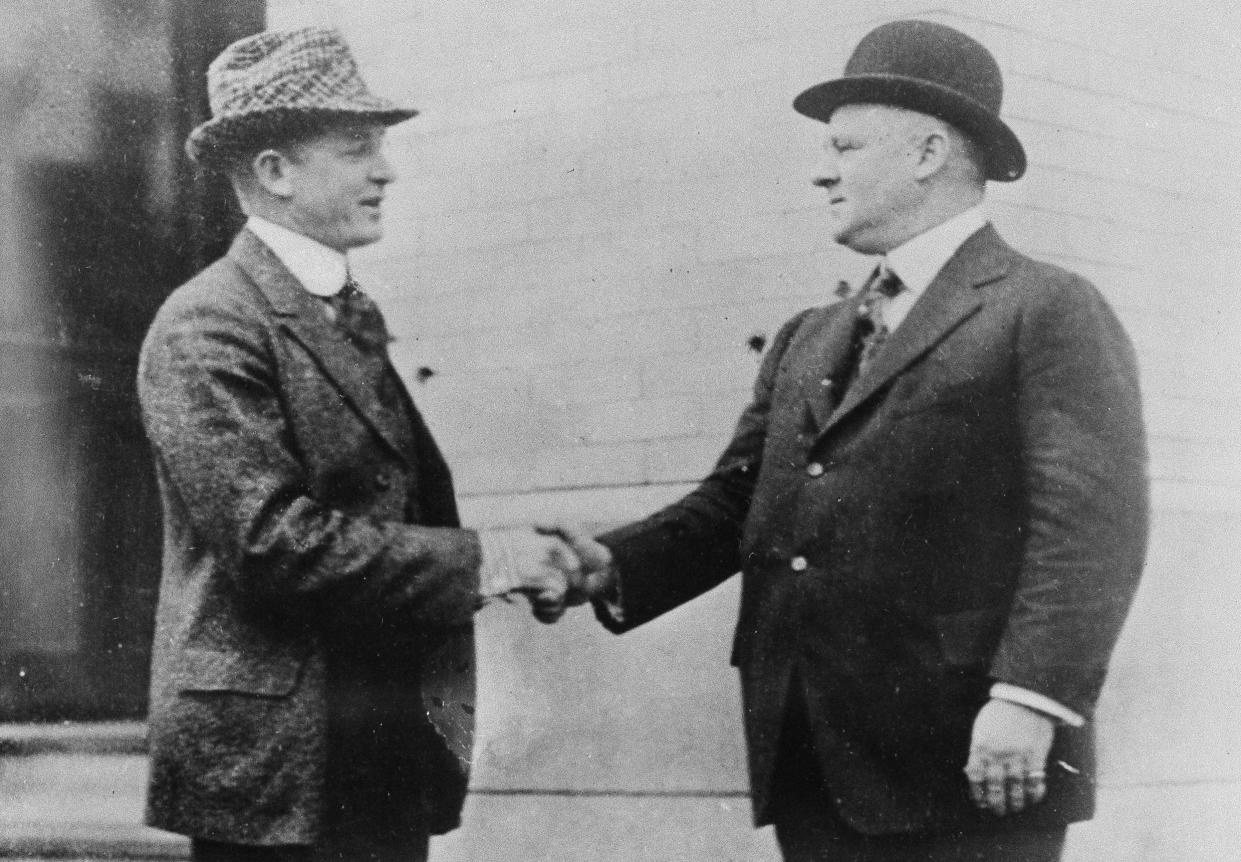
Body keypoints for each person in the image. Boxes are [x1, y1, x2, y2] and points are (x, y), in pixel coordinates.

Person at [557, 19, 1149, 862]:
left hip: (971, 763)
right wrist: (608, 567)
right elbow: (739, 501)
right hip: (809, 754)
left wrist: (1030, 699)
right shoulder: (808, 335)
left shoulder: (1045, 309)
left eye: (845, 145)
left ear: (928, 151)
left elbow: (1092, 528)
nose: (820, 170)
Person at [138, 27, 584, 862]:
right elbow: (271, 544)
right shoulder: (208, 323)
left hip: (376, 748)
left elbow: (391, 508)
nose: (386, 172)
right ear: (274, 172)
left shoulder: (335, 310)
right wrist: (487, 560)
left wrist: (511, 561)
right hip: (280, 770)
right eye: (356, 150)